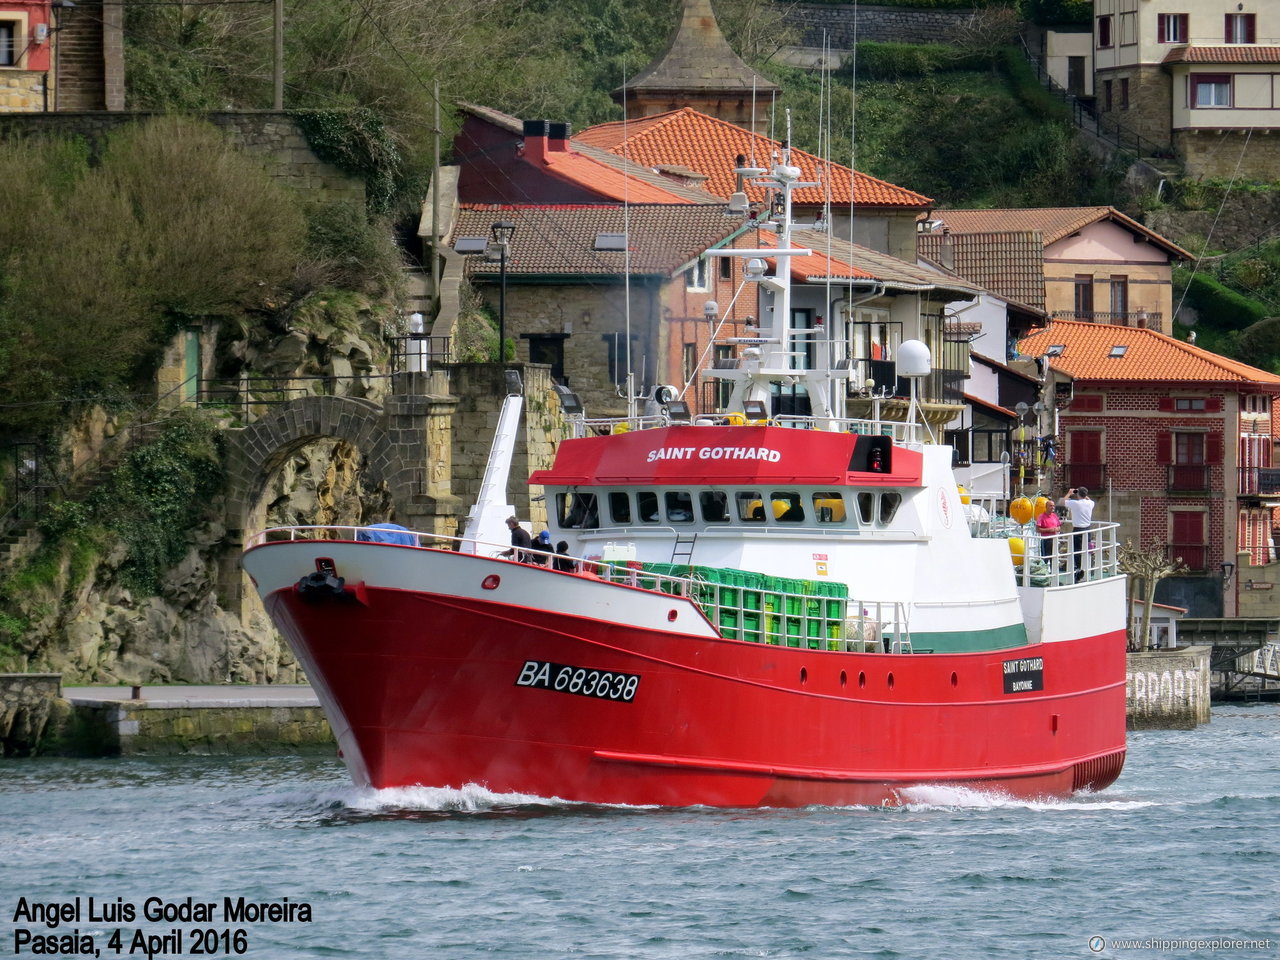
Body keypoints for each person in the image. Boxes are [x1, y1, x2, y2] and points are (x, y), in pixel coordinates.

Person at [1058, 487, 1095, 582]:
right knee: (1088, 549)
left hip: (1078, 529)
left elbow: (1062, 502)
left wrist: (1070, 493)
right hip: (1087, 529)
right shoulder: (1091, 503)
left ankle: (1079, 569)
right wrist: (1083, 494)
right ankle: (1090, 567)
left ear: (1078, 494)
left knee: (1077, 550)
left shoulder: (1075, 504)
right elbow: (1088, 499)